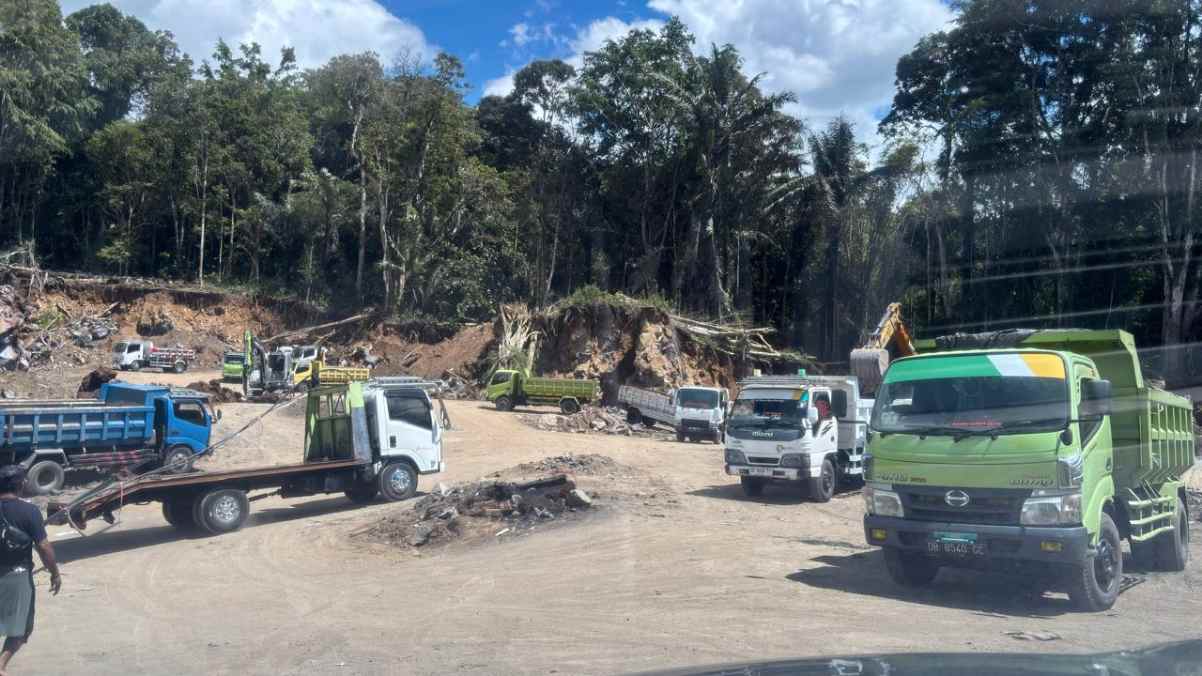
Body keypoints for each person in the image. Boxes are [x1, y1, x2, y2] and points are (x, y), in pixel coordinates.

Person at [0, 466, 60, 676]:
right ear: (19, 484)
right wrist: (55, 573)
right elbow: (44, 547)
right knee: (21, 627)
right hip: (17, 576)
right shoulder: (29, 511)